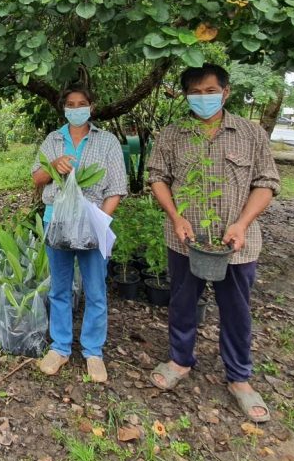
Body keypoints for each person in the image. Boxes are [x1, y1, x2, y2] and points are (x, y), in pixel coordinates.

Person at [147, 64, 280, 423]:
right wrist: (176, 216)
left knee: (236, 310)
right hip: (185, 240)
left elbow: (267, 182)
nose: (202, 98)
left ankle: (240, 377)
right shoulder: (173, 135)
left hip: (237, 245)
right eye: (195, 92)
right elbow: (157, 177)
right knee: (182, 302)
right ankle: (179, 360)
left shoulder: (250, 133)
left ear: (226, 92)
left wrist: (242, 222)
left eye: (210, 91)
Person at [31, 87, 127, 383]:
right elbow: (36, 177)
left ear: (91, 107)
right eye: (70, 105)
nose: (76, 108)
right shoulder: (53, 139)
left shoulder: (106, 141)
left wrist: (101, 221)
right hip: (57, 222)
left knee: (96, 290)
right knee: (59, 288)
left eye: (81, 104)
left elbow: (116, 187)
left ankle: (93, 351)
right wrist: (53, 167)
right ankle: (60, 347)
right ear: (64, 109)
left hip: (92, 224)